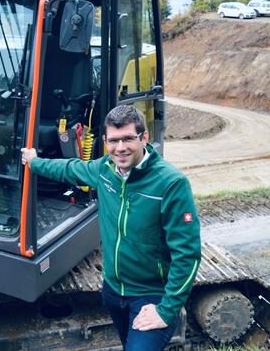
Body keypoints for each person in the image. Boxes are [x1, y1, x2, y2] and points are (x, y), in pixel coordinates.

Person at [21, 105, 200, 351]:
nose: (121, 148)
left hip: (151, 294)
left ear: (144, 137)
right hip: (113, 291)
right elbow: (69, 168)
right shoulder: (104, 170)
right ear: (105, 141)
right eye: (114, 141)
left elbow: (187, 254)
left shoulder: (171, 183)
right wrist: (35, 161)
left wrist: (166, 310)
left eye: (128, 138)